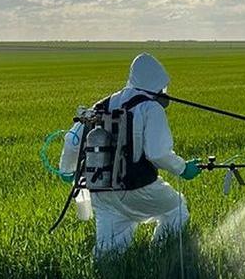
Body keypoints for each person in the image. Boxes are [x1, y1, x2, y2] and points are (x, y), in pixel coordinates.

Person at [60, 52, 200, 257]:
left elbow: (72, 141)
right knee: (176, 209)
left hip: (101, 190)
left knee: (108, 252)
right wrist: (183, 168)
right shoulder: (151, 108)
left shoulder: (102, 105)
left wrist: (67, 170)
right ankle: (158, 255)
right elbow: (157, 153)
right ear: (158, 83)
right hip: (138, 187)